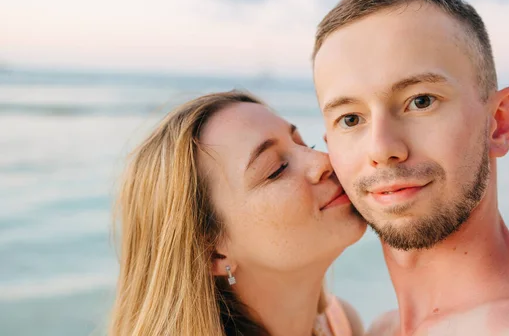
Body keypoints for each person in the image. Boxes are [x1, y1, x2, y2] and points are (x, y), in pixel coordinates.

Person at [312, 0, 509, 335]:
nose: (381, 149)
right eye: (351, 119)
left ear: (499, 123)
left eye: (421, 101)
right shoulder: (377, 329)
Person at [108, 91, 367, 336]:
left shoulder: (340, 323)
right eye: (276, 169)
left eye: (304, 144)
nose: (322, 161)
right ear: (213, 252)